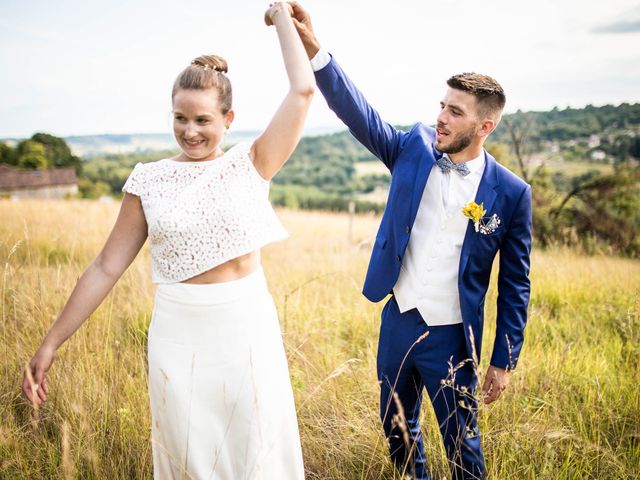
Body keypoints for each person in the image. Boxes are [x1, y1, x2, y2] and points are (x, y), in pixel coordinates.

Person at [22, 3, 313, 479]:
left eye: (202, 120)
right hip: (177, 335)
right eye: (180, 118)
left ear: (228, 118)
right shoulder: (148, 181)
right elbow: (104, 268)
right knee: (189, 458)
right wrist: (51, 342)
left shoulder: (253, 162)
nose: (190, 131)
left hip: (246, 329)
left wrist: (281, 16)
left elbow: (302, 91)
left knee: (257, 450)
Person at [290, 3, 532, 479]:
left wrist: (504, 360)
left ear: (484, 127)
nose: (440, 117)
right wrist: (317, 52)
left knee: (463, 445)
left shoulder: (512, 193)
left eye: (455, 112)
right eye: (441, 104)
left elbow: (516, 284)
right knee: (396, 428)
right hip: (399, 318)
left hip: (452, 335)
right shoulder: (411, 148)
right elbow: (359, 114)